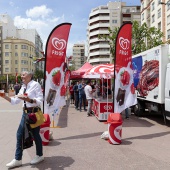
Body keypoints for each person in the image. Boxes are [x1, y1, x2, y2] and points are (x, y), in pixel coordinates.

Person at [0, 71, 44, 168]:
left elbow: (40, 99)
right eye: (22, 74)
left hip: (34, 113)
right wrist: (4, 96)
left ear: (30, 76)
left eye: (24, 74)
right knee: (20, 135)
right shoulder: (23, 86)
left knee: (36, 135)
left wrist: (29, 100)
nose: (22, 76)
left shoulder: (35, 84)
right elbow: (15, 101)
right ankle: (18, 159)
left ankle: (39, 155)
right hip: (25, 114)